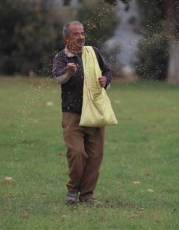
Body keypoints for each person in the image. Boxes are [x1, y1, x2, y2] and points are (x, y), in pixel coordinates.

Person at [52, 21, 112, 205]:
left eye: (82, 33)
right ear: (67, 38)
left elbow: (107, 71)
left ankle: (87, 195)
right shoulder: (62, 57)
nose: (81, 37)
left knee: (95, 156)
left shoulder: (93, 52)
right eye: (76, 34)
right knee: (77, 153)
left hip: (94, 111)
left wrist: (105, 80)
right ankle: (72, 190)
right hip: (72, 115)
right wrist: (68, 73)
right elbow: (57, 78)